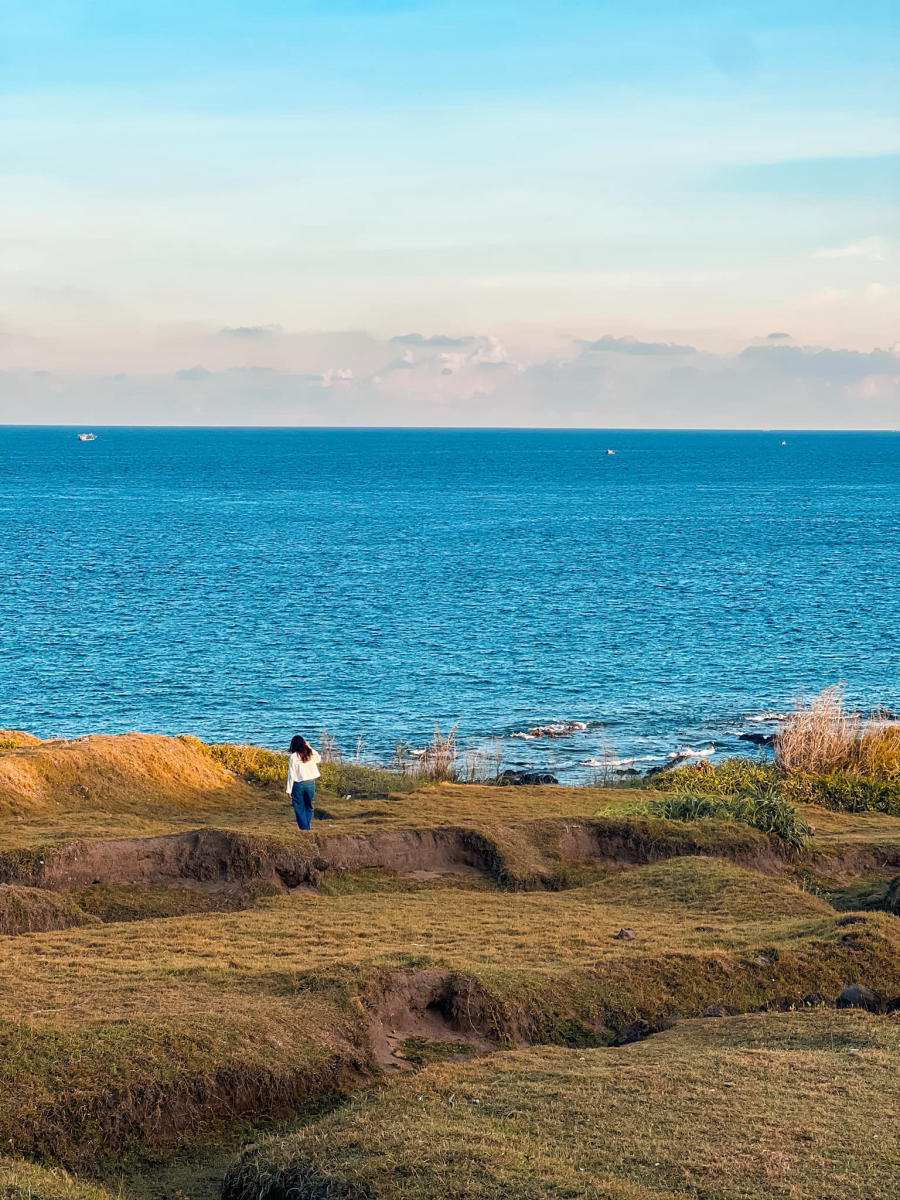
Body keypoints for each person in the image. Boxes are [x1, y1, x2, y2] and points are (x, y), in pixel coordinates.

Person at [285, 734, 321, 831]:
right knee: (308, 806)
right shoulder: (310, 752)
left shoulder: (294, 756)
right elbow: (319, 758)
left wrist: (289, 790)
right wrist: (309, 747)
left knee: (299, 807)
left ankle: (305, 829)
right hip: (311, 784)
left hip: (298, 785)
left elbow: (291, 774)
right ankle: (307, 827)